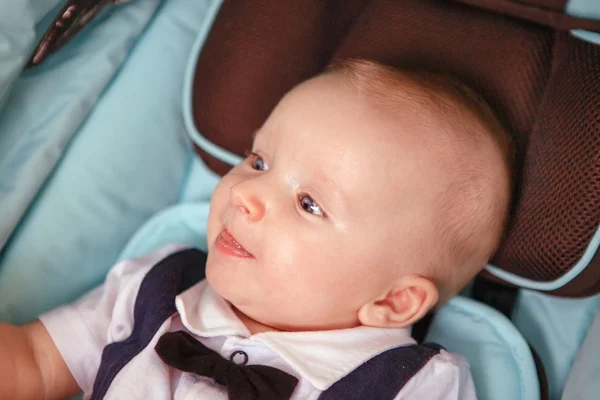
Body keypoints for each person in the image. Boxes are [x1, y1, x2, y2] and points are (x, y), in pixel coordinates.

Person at [0, 59, 513, 400]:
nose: (245, 193)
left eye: (309, 203)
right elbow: (35, 361)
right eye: (259, 161)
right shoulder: (155, 290)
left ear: (395, 301)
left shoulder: (411, 384)